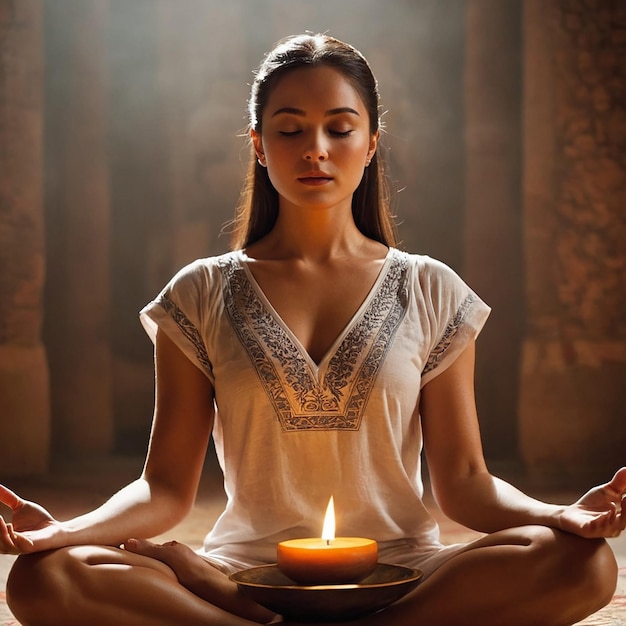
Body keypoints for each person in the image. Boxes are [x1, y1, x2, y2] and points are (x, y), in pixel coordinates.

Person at [1, 33, 624, 626]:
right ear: (257, 143)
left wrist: (560, 515)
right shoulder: (201, 292)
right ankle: (257, 610)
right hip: (245, 570)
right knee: (44, 579)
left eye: (340, 128)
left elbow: (464, 483)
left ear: (373, 141)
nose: (315, 148)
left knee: (582, 564)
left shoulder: (431, 289)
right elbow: (163, 487)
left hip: (400, 573)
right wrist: (64, 532)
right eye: (290, 129)